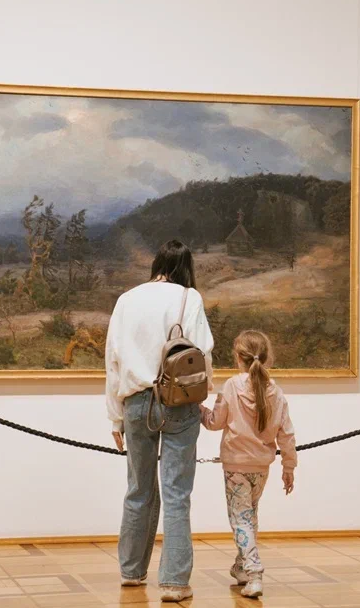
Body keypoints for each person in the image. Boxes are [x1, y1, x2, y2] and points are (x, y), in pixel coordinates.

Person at [106, 239, 214, 603]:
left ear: (157, 265)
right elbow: (202, 353)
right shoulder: (189, 297)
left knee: (138, 489)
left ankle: (131, 571)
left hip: (136, 402)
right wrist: (205, 395)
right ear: (186, 268)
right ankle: (174, 583)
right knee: (176, 494)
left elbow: (113, 362)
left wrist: (115, 418)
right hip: (179, 402)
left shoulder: (126, 299)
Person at [200, 330, 297, 599]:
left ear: (238, 357)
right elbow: (287, 434)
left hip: (236, 467)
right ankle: (241, 567)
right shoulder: (275, 391)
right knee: (249, 516)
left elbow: (214, 422)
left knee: (240, 519)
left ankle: (254, 573)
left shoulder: (232, 386)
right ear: (267, 357)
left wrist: (198, 409)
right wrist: (289, 466)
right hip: (261, 467)